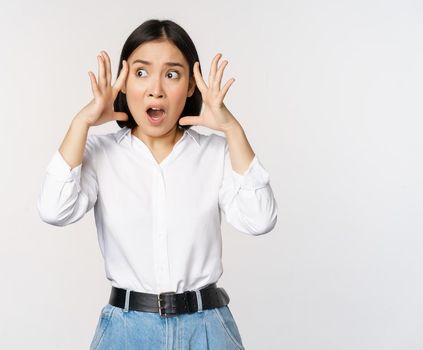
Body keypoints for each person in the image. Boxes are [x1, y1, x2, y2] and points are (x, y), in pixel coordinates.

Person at [36, 19, 278, 349]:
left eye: (172, 74)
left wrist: (233, 130)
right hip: (126, 329)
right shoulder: (100, 152)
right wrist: (83, 121)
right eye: (141, 72)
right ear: (123, 82)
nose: (156, 89)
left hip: (206, 328)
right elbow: (53, 210)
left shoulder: (215, 153)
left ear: (191, 85)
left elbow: (260, 220)